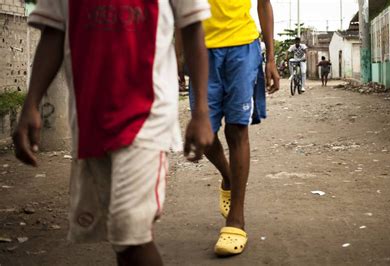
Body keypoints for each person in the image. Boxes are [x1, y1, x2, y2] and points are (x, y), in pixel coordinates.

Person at [13, 1, 213, 265]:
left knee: (130, 233)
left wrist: (200, 112)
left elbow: (192, 27)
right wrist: (31, 103)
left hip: (147, 118)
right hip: (90, 123)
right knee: (122, 238)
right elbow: (53, 32)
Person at [190, 0, 280, 256]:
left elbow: (264, 4)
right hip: (201, 50)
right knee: (202, 135)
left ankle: (236, 220)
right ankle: (229, 177)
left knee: (237, 130)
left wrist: (270, 58)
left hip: (242, 48)